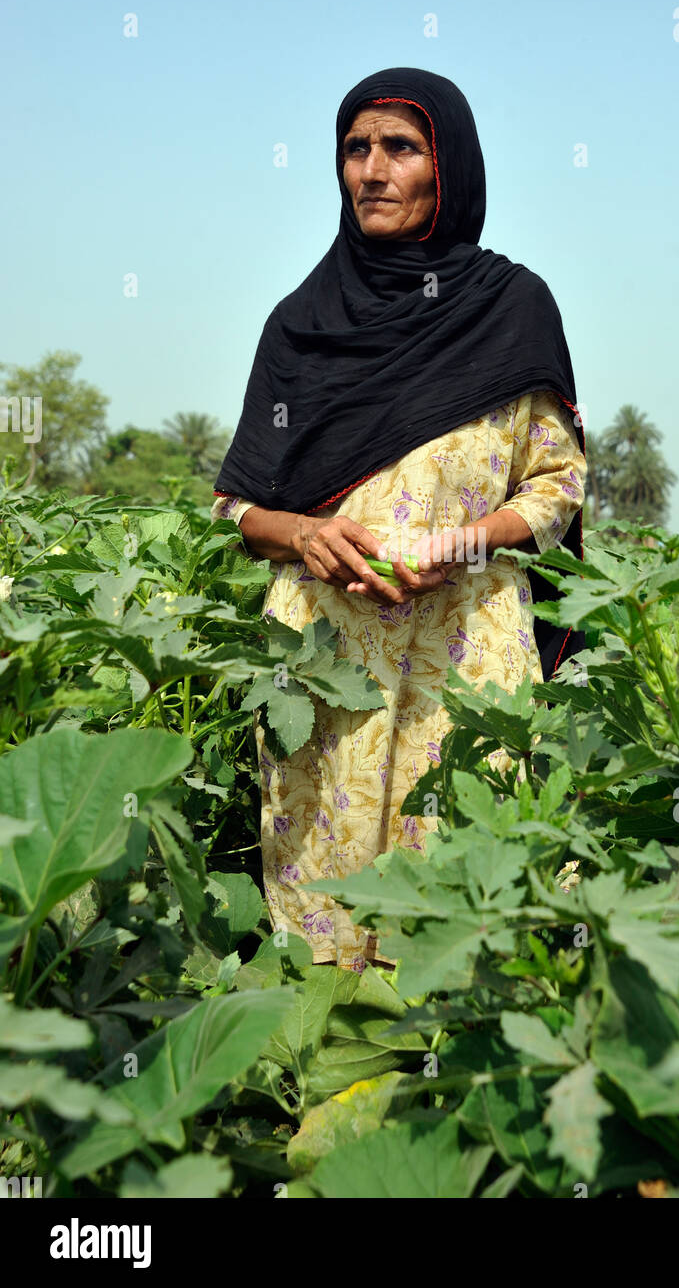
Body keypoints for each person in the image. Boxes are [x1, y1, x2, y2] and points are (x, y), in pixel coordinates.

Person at [211, 67, 588, 972]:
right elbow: (238, 503)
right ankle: (322, 1075)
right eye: (355, 148)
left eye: (401, 148)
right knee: (325, 901)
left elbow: (555, 483)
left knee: (467, 891)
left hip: (468, 655)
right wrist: (304, 533)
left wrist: (465, 540)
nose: (372, 171)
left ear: (447, 167)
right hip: (327, 663)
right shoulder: (300, 326)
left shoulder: (511, 309)